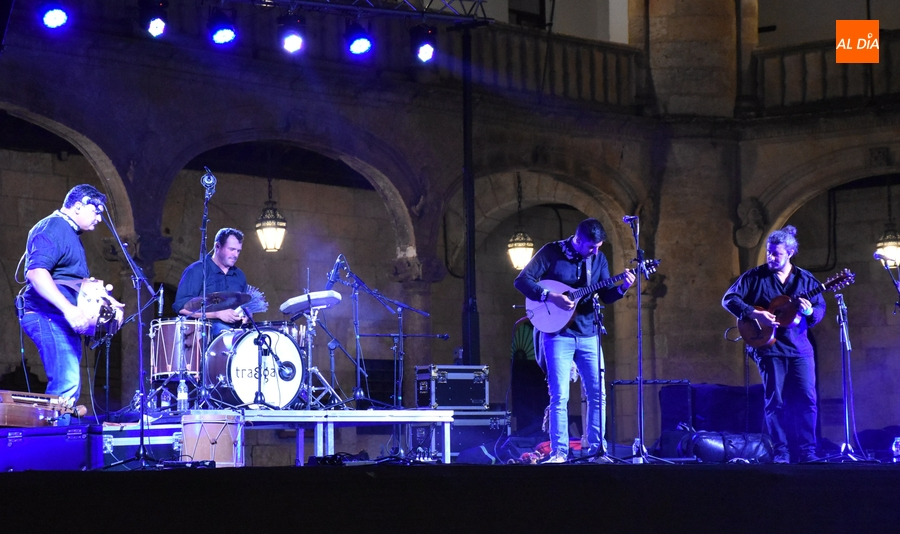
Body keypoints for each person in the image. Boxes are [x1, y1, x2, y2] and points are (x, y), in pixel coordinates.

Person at [514, 218, 635, 464]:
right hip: (558, 335)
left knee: (597, 394)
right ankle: (559, 453)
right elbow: (522, 281)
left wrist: (623, 288)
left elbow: (605, 295)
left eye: (599, 246)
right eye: (591, 247)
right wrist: (551, 296)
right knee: (560, 396)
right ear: (578, 240)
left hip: (589, 333)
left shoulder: (598, 259)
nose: (596, 251)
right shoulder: (551, 252)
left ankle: (596, 451)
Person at [722, 225, 825, 464]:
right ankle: (782, 452)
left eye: (776, 253)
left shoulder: (806, 280)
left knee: (806, 399)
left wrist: (810, 311)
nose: (770, 257)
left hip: (800, 349)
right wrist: (753, 313)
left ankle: (807, 451)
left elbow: (819, 310)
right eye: (769, 252)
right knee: (775, 401)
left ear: (789, 253)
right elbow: (729, 299)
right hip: (769, 348)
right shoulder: (754, 277)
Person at [20, 184, 123, 422]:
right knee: (67, 381)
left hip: (59, 317)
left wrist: (103, 300)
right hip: (46, 315)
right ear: (78, 205)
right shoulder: (54, 227)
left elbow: (69, 281)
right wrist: (69, 309)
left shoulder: (71, 233)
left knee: (70, 385)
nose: (99, 218)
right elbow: (36, 273)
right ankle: (53, 448)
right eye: (96, 211)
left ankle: (57, 441)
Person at [173, 227, 249, 340]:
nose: (235, 255)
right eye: (231, 249)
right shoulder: (197, 270)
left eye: (238, 251)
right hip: (204, 335)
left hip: (235, 334)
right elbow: (181, 307)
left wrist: (247, 315)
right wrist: (217, 314)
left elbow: (244, 306)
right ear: (217, 246)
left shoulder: (239, 276)